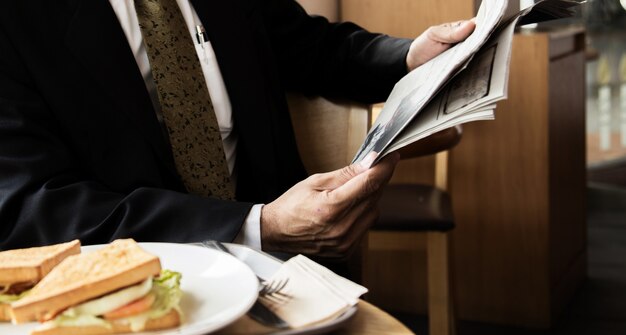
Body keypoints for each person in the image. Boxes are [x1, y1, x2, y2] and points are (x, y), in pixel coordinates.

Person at [0, 0, 475, 259]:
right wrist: (257, 227)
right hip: (136, 278)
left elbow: (310, 45)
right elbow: (29, 207)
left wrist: (411, 54)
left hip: (287, 271)